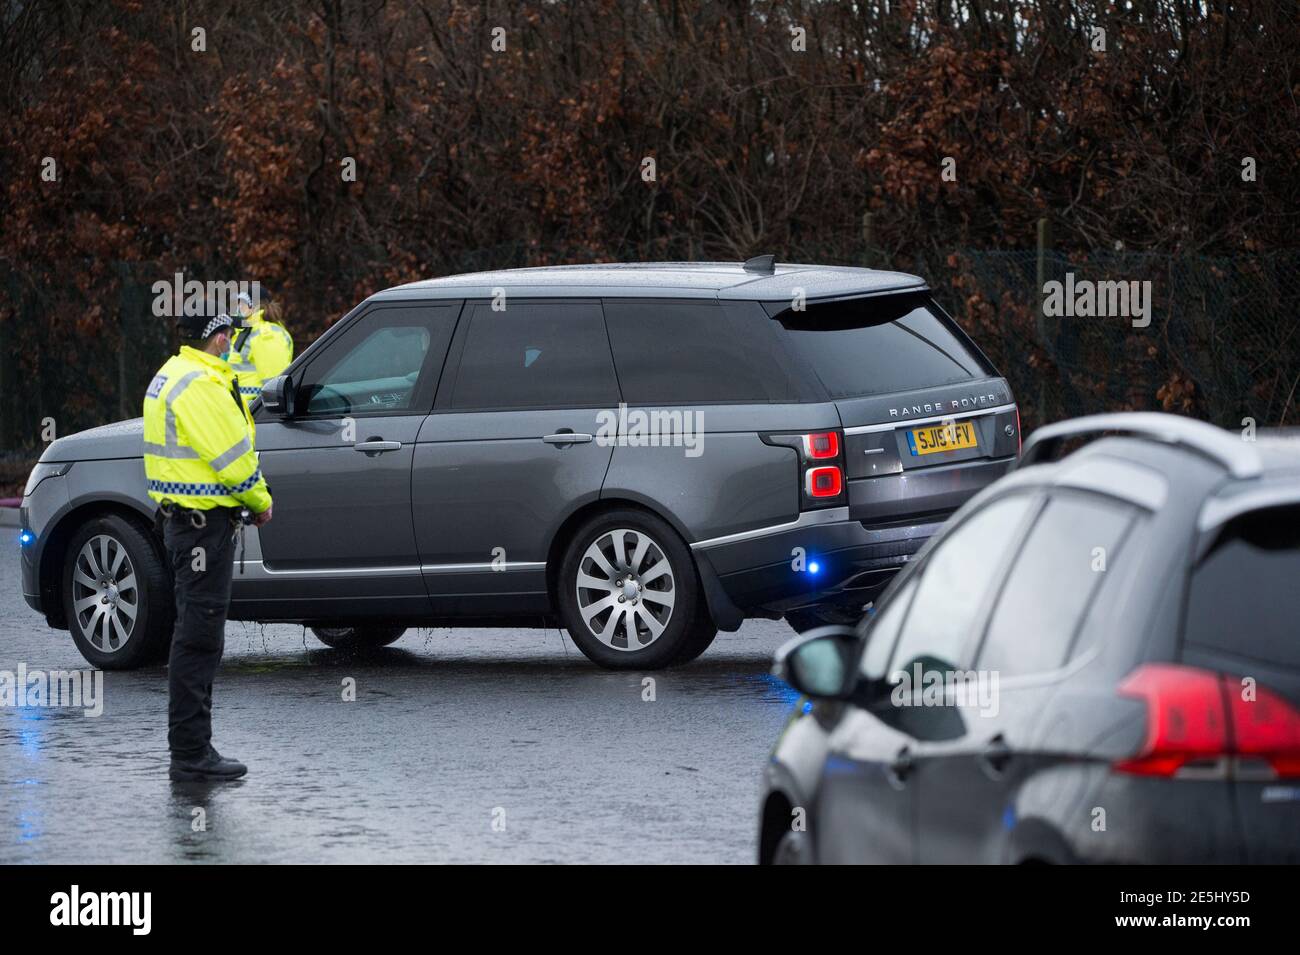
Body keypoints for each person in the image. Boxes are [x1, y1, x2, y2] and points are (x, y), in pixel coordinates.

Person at [143, 307, 273, 781]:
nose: (235, 345)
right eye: (230, 337)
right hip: (203, 528)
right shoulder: (200, 383)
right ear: (217, 338)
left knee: (195, 634)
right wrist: (261, 500)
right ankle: (191, 754)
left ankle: (194, 749)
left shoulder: (173, 374)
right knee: (199, 639)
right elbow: (233, 460)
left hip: (186, 524)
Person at [229, 291, 294, 410]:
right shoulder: (247, 331)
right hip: (247, 409)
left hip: (258, 410)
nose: (237, 307)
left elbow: (274, 382)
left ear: (253, 306)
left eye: (242, 303)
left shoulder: (266, 334)